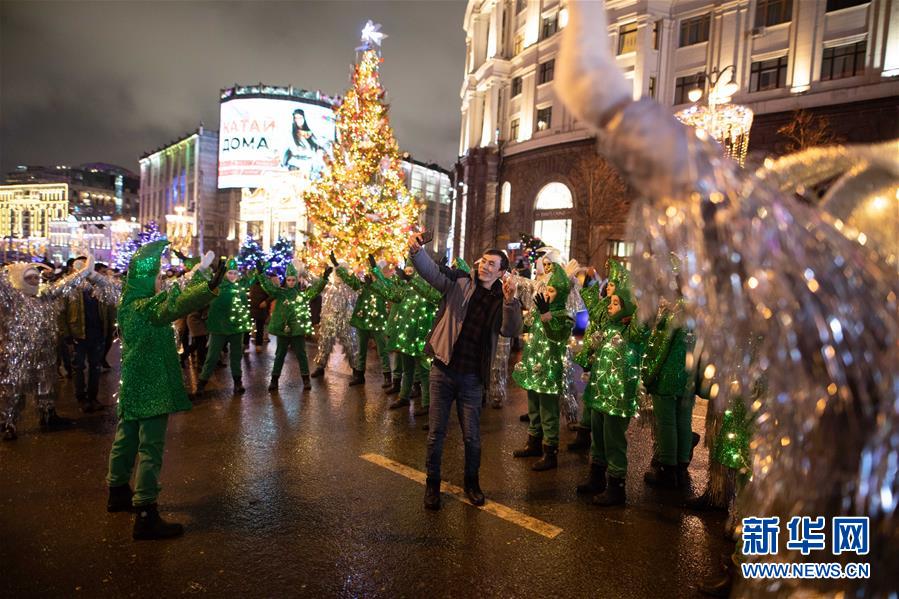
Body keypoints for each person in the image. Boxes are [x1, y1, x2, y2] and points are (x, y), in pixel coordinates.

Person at [105, 240, 225, 539]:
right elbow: (174, 303)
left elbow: (171, 294)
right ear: (147, 279)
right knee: (151, 448)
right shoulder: (147, 307)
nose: (161, 280)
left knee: (126, 438)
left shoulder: (129, 303)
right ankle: (146, 512)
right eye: (157, 276)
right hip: (152, 384)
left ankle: (117, 491)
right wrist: (206, 286)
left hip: (133, 382)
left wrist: (199, 272)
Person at [409, 235, 522, 510]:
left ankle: (472, 483)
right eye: (483, 261)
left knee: (471, 435)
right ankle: (432, 485)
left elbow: (511, 329)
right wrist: (415, 251)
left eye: (491, 264)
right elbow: (431, 273)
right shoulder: (460, 281)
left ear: (501, 272)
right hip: (443, 370)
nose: (484, 266)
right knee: (436, 434)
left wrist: (510, 302)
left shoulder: (501, 299)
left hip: (472, 378)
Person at [0, 257, 95, 440]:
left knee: (47, 386)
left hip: (45, 355)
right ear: (19, 280)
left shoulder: (45, 298)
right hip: (16, 356)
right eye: (29, 279)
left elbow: (64, 286)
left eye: (36, 278)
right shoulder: (11, 300)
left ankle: (48, 415)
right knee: (13, 390)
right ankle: (8, 424)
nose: (35, 281)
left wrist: (83, 271)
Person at [576, 278, 644, 506]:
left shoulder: (632, 331)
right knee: (598, 436)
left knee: (614, 440)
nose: (610, 306)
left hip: (618, 397)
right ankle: (596, 478)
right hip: (599, 392)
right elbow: (596, 312)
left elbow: (644, 322)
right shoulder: (608, 326)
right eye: (611, 302)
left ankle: (617, 487)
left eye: (615, 303)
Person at [511, 266, 574, 470]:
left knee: (548, 412)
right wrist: (515, 300)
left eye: (553, 291)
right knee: (533, 407)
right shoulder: (539, 308)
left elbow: (557, 336)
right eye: (547, 289)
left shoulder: (564, 316)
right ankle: (533, 443)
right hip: (533, 366)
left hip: (548, 369)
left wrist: (547, 316)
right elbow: (523, 325)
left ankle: (550, 451)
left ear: (562, 293)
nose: (548, 293)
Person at [370, 257, 441, 416]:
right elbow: (391, 294)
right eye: (408, 271)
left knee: (423, 372)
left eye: (412, 271)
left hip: (421, 336)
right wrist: (373, 281)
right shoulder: (406, 288)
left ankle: (426, 403)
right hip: (405, 336)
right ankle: (404, 396)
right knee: (407, 369)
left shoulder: (430, 286)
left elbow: (435, 298)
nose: (410, 274)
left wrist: (413, 281)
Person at [258, 259, 329, 392]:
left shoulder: (301, 295)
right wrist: (261, 274)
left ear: (296, 280)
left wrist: (324, 279)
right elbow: (269, 287)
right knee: (280, 354)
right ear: (286, 280)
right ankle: (274, 380)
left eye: (293, 280)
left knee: (301, 354)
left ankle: (306, 379)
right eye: (289, 280)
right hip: (283, 330)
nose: (291, 282)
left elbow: (315, 290)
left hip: (297, 329)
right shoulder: (280, 292)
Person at [64, 256, 121, 412]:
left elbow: (110, 307)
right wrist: (67, 335)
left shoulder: (100, 288)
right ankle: (81, 397)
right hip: (79, 334)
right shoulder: (70, 288)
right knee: (79, 367)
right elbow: (62, 313)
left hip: (97, 334)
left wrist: (111, 329)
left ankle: (93, 397)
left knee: (95, 367)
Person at [331, 252, 392, 387]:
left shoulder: (383, 285)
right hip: (362, 321)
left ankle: (388, 377)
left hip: (378, 322)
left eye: (373, 274)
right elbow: (348, 279)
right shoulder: (362, 285)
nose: (371, 277)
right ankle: (359, 375)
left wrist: (375, 269)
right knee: (361, 350)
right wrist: (337, 265)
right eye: (369, 274)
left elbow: (385, 286)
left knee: (382, 350)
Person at [196, 258, 252, 395]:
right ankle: (201, 384)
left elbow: (245, 307)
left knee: (236, 356)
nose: (232, 276)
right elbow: (200, 284)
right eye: (230, 273)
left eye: (235, 273)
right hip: (219, 328)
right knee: (212, 356)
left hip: (237, 328)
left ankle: (238, 383)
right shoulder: (217, 287)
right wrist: (202, 268)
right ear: (225, 274)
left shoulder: (240, 289)